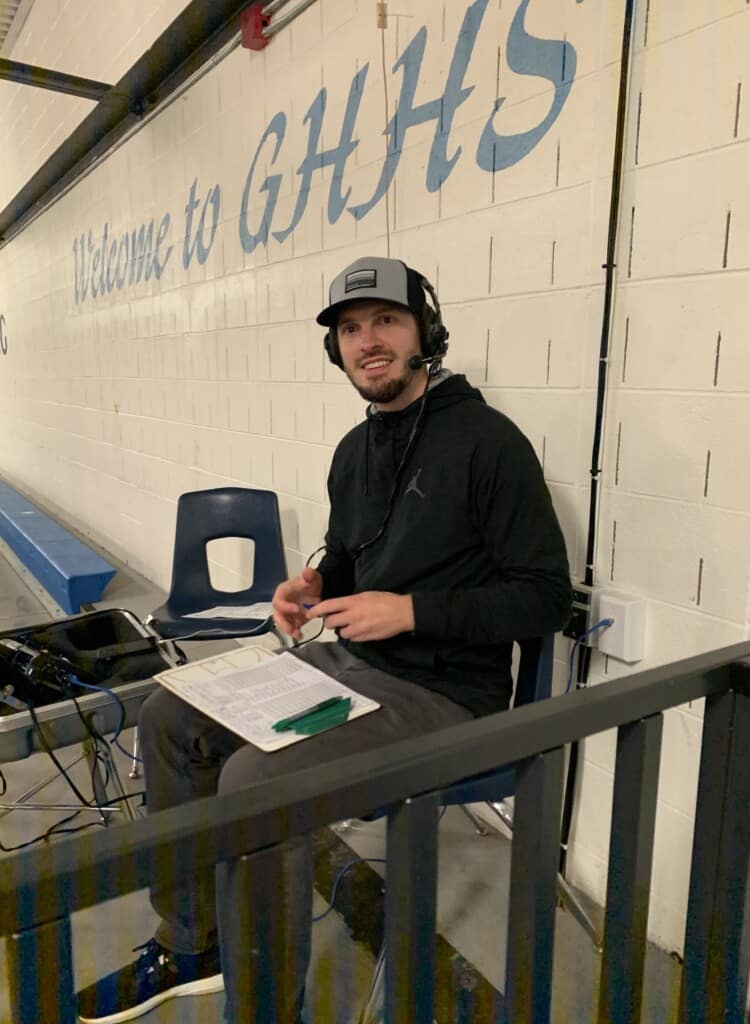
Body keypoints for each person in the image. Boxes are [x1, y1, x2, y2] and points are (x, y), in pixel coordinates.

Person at [77, 256, 571, 1024]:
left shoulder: (489, 443)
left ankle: (268, 1006)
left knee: (256, 782)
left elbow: (540, 598)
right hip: (347, 664)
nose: (366, 341)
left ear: (425, 332)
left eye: (385, 322)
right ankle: (194, 941)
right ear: (335, 349)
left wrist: (410, 613)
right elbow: (349, 562)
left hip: (442, 694)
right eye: (349, 330)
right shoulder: (356, 449)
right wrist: (312, 588)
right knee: (166, 719)